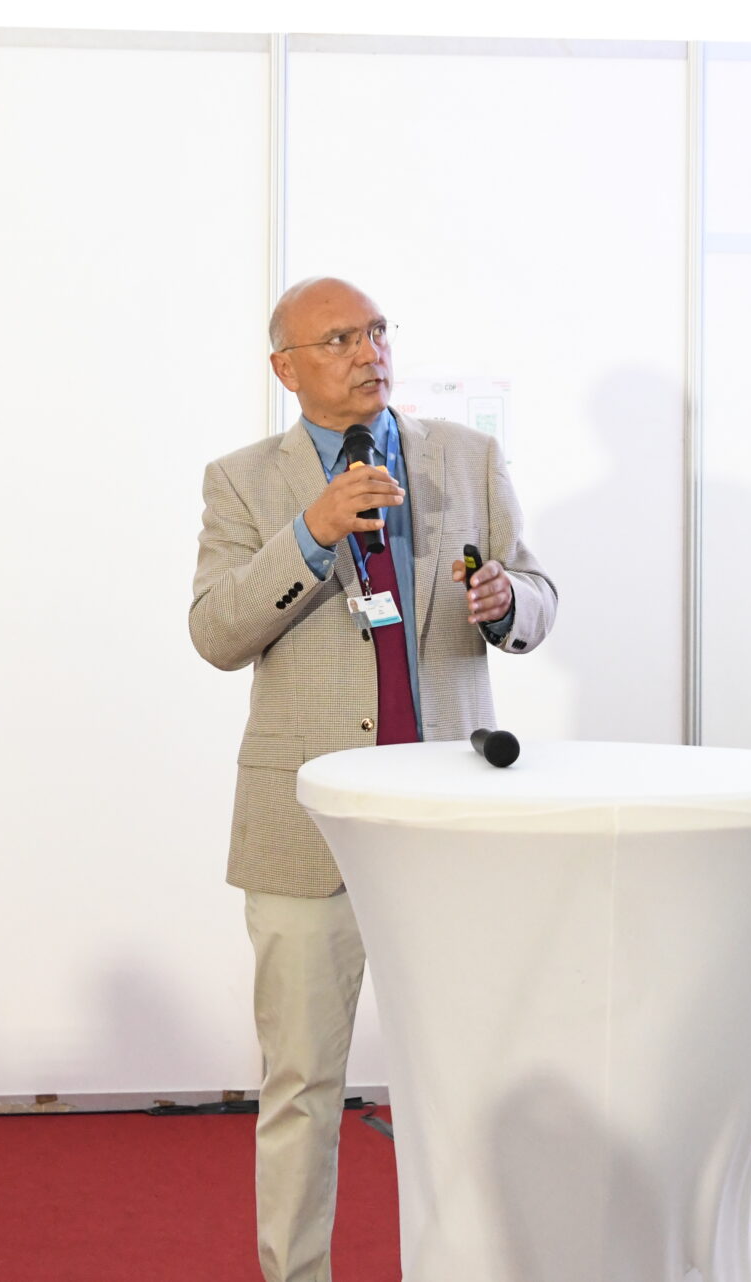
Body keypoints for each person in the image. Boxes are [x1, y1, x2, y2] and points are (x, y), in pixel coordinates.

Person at [189, 275, 557, 1282]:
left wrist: (507, 602)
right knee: (303, 1082)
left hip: (447, 822)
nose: (369, 353)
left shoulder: (466, 458)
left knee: (464, 1077)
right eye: (339, 339)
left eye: (377, 332)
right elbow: (216, 632)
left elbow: (536, 592)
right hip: (305, 826)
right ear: (286, 368)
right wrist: (311, 531)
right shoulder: (241, 481)